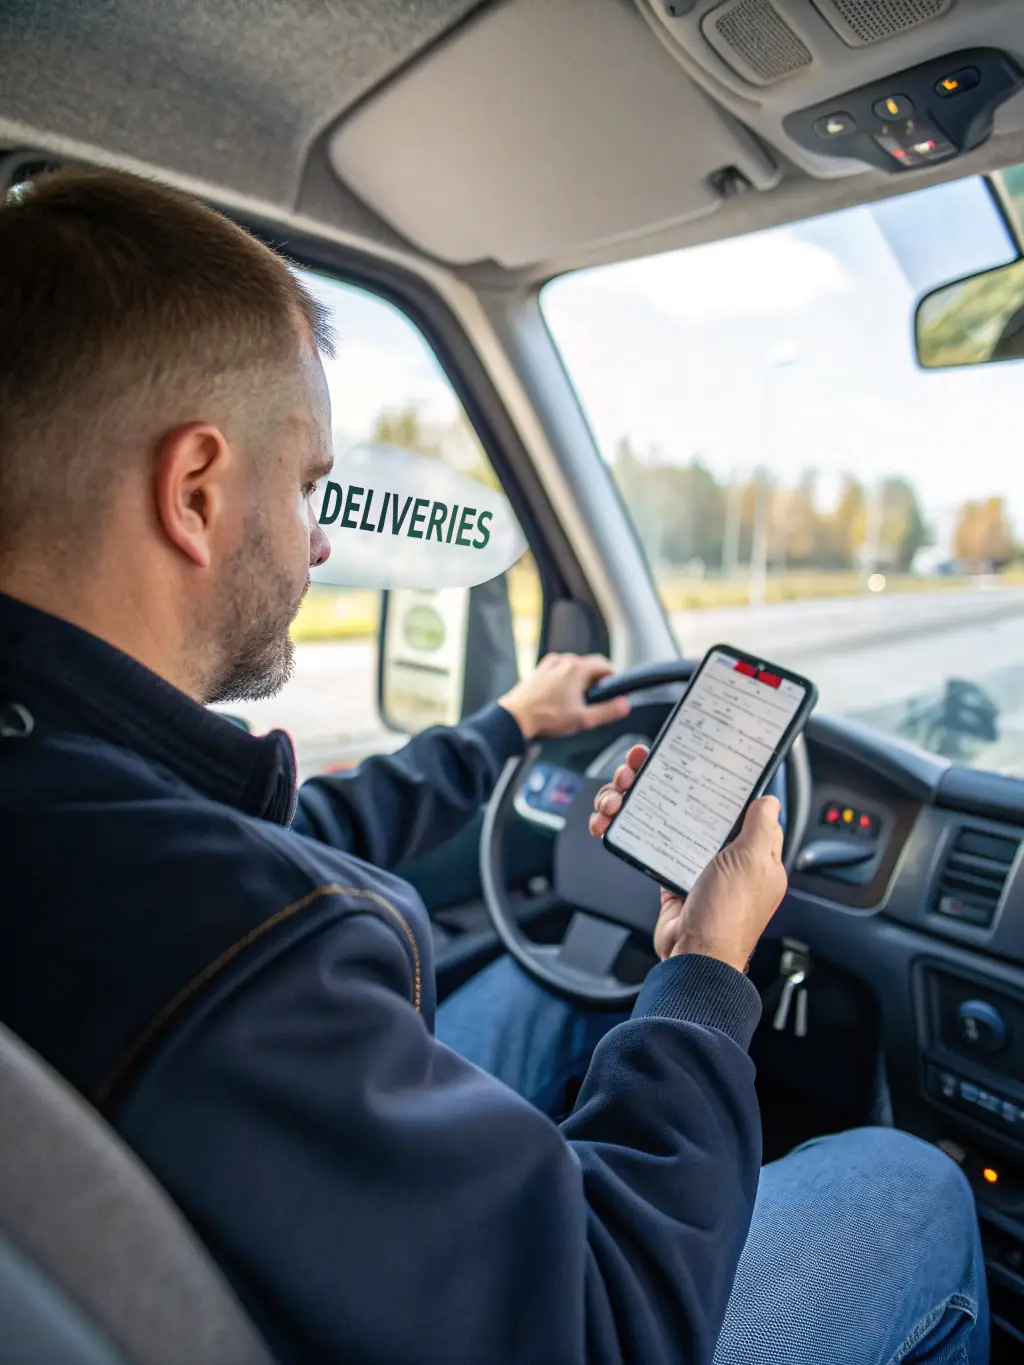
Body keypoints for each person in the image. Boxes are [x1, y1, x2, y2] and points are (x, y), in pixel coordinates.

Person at [0, 168, 987, 1365]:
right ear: (197, 490)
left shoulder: (75, 797)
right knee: (907, 1186)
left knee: (547, 995)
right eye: (307, 481)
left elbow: (294, 835)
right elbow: (611, 1323)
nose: (316, 536)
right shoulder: (228, 940)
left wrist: (506, 728)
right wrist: (708, 972)